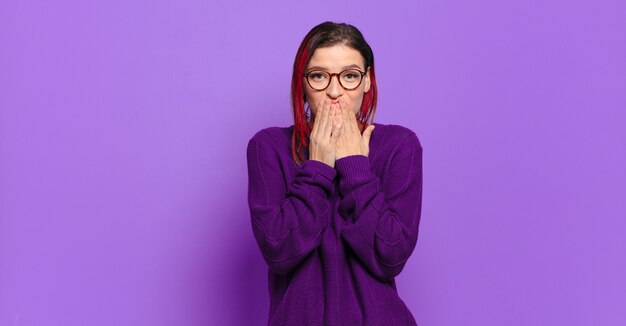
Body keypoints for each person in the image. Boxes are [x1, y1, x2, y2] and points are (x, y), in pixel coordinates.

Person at [246, 21, 423, 326]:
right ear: (302, 83)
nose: (334, 91)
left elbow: (391, 256)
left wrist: (356, 167)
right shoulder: (268, 147)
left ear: (367, 81)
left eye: (350, 76)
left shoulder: (399, 146)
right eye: (318, 76)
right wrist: (318, 167)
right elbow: (280, 251)